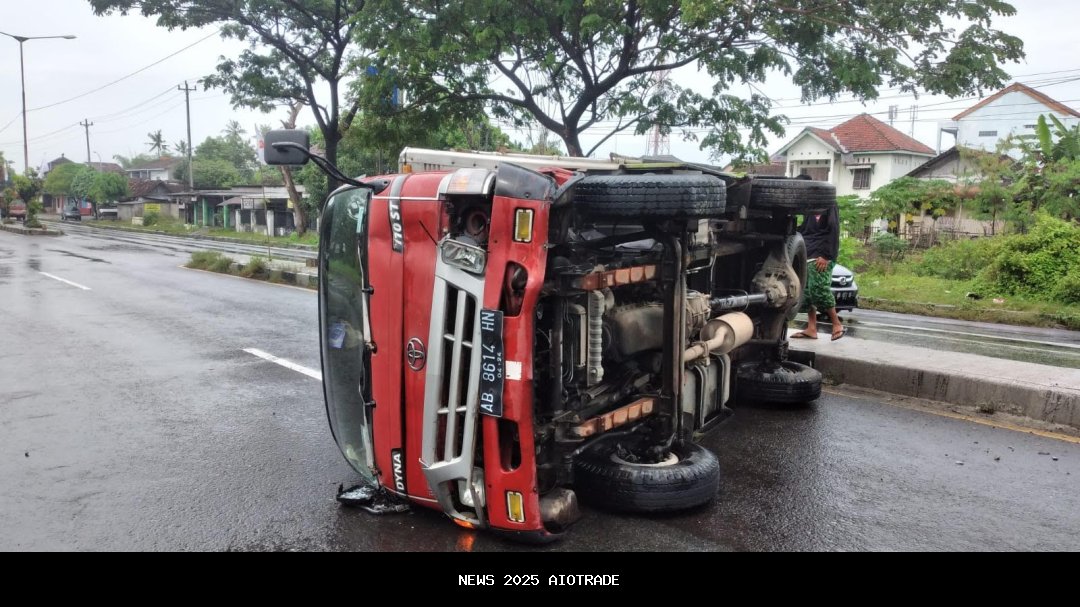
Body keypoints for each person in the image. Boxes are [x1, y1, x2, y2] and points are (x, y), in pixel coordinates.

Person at [791, 201, 845, 341]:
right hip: (808, 253)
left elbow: (834, 229)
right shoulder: (810, 209)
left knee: (819, 288)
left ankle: (836, 324)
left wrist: (827, 256)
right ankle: (811, 328)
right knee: (807, 291)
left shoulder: (830, 206)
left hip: (822, 255)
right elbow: (804, 229)